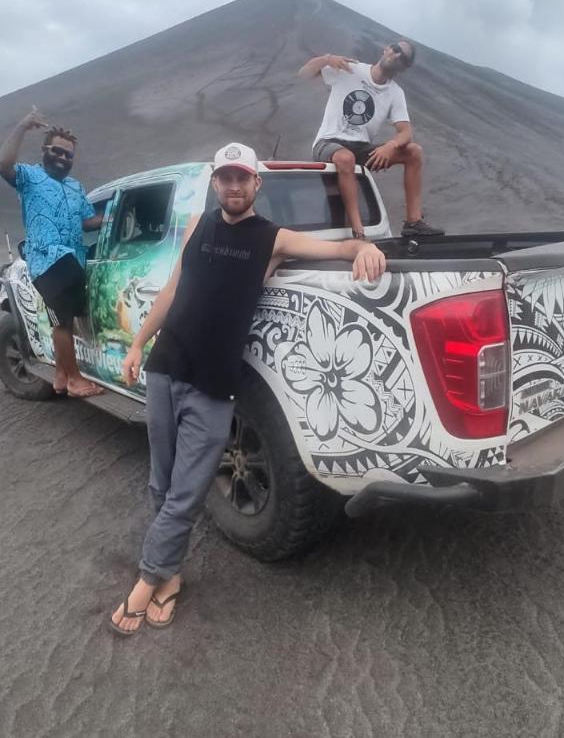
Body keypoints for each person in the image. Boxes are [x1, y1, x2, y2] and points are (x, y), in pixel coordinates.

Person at [107, 141, 388, 636]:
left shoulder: (271, 238)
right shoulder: (197, 226)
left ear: (257, 184)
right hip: (165, 367)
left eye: (243, 178)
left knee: (187, 491)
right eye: (226, 178)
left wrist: (364, 245)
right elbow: (173, 292)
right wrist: (136, 346)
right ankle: (170, 576)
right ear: (216, 183)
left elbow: (337, 248)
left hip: (214, 385)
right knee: (161, 481)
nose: (234, 186)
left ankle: (146, 580)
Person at [0, 106, 104, 398]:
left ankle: (59, 375)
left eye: (68, 154)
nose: (62, 157)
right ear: (45, 151)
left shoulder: (75, 187)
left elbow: (86, 220)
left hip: (73, 261)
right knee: (63, 321)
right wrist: (22, 125)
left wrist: (115, 214)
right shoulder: (29, 177)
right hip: (47, 260)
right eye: (57, 151)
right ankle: (75, 380)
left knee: (64, 319)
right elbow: (3, 165)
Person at [299, 39, 444, 240]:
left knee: (414, 152)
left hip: (360, 148)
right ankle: (358, 232)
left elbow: (405, 132)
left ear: (404, 68)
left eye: (404, 57)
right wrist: (326, 59)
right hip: (328, 142)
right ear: (386, 49)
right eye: (396, 49)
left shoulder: (395, 93)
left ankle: (413, 222)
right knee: (345, 158)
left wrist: (390, 146)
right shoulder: (352, 69)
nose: (397, 55)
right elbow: (304, 74)